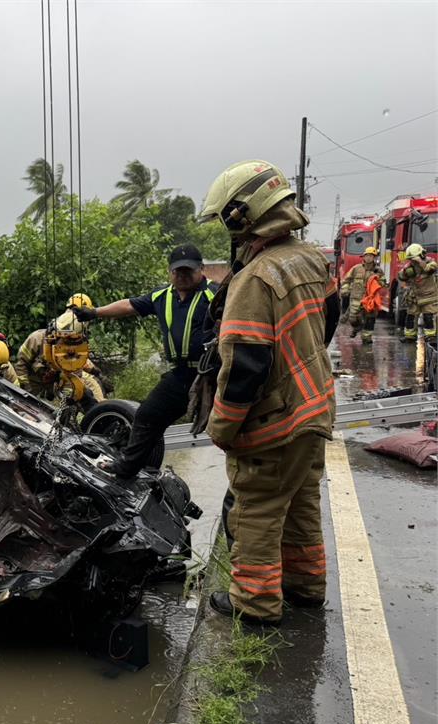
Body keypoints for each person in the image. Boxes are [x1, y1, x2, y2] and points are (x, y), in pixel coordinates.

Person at [198, 159, 338, 626]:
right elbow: (328, 321)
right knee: (301, 500)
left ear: (243, 216)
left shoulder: (254, 279)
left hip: (275, 421)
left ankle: (255, 604)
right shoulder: (313, 258)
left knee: (257, 508)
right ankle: (306, 588)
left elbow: (245, 366)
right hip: (314, 408)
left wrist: (222, 425)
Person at [71, 245, 216, 478]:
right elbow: (129, 305)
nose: (182, 275)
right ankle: (128, 469)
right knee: (148, 416)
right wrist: (94, 312)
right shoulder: (162, 296)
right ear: (170, 272)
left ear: (201, 269)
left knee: (228, 428)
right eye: (177, 271)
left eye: (188, 270)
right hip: (181, 375)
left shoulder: (215, 295)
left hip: (213, 372)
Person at [14, 308, 105, 403]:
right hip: (32, 379)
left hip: (56, 383)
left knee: (78, 399)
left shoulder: (78, 350)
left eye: (73, 341)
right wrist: (25, 389)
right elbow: (21, 363)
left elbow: (73, 376)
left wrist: (68, 399)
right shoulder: (37, 338)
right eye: (65, 339)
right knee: (19, 401)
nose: (69, 346)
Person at [340, 246, 386, 343]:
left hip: (370, 299)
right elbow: (346, 280)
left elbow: (383, 283)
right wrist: (345, 290)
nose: (368, 258)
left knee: (370, 319)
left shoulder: (379, 271)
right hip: (356, 298)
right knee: (353, 319)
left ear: (374, 258)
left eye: (371, 256)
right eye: (367, 256)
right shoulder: (356, 269)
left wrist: (377, 278)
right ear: (363, 257)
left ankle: (367, 338)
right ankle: (357, 328)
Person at [398, 243, 437, 342]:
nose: (412, 261)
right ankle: (409, 336)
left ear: (421, 255)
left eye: (413, 258)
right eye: (410, 259)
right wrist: (405, 271)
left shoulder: (430, 262)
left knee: (428, 317)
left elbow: (431, 269)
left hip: (429, 296)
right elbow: (401, 277)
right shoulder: (410, 266)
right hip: (414, 297)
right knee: (410, 317)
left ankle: (431, 336)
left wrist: (421, 262)